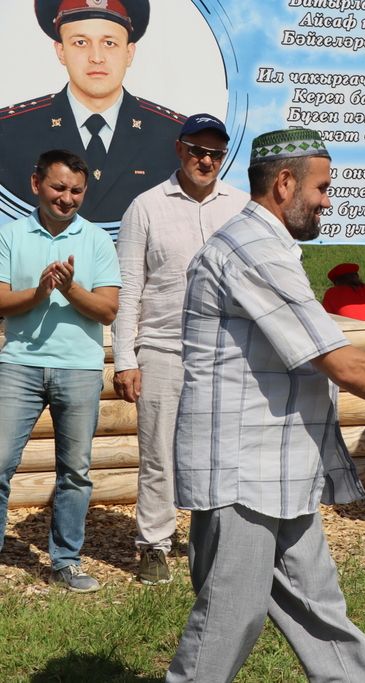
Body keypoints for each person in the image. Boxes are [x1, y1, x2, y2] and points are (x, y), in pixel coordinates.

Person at [165, 128, 365, 682]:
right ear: (285, 184)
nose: (328, 200)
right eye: (322, 188)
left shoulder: (269, 247)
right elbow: (340, 361)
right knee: (231, 616)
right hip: (244, 472)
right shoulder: (251, 251)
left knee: (318, 610)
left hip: (279, 469)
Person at [110, 113, 247, 586]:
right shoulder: (145, 207)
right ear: (179, 149)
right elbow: (129, 287)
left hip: (226, 352)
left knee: (223, 451)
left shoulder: (242, 208)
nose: (205, 160)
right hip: (162, 349)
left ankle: (218, 541)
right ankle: (153, 544)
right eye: (197, 150)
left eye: (214, 153)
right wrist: (125, 358)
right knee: (158, 455)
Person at [0, 149, 121, 592]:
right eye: (58, 187)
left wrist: (69, 290)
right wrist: (39, 293)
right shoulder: (11, 235)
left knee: (74, 471)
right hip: (19, 365)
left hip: (79, 368)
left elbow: (108, 311)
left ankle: (64, 561)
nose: (66, 198)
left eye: (76, 191)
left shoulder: (97, 240)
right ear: (36, 184)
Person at [0, 0, 183, 226]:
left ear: (129, 53)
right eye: (80, 42)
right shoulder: (9, 133)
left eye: (109, 43)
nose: (96, 57)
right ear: (61, 51)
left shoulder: (172, 137)